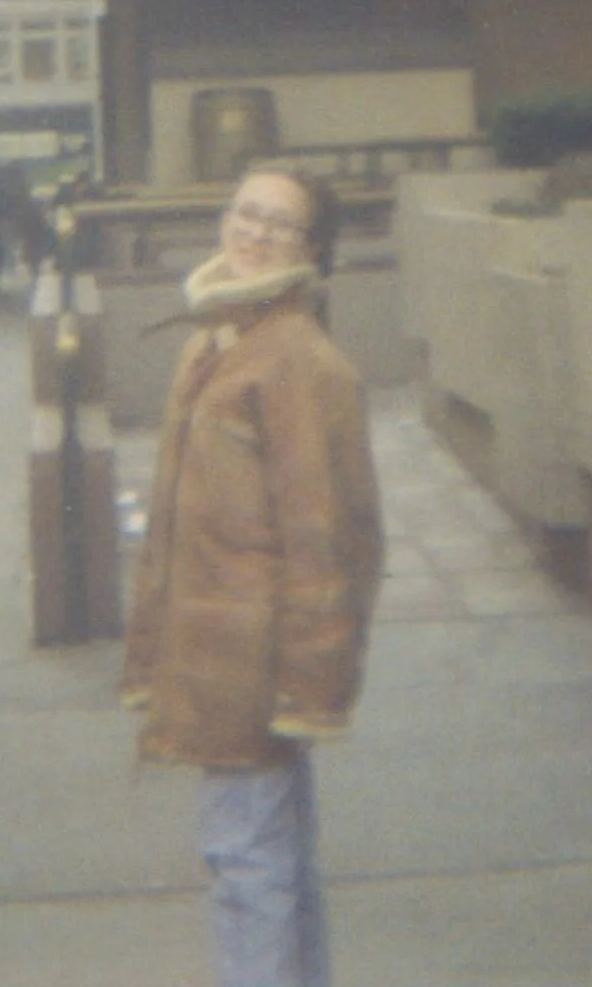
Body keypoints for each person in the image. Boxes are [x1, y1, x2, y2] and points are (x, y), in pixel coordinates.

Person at [119, 168, 383, 987]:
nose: (254, 232)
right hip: (217, 651)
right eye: (245, 212)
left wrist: (310, 686)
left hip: (255, 659)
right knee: (272, 861)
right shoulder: (220, 340)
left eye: (280, 224)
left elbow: (330, 539)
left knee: (245, 864)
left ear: (310, 250)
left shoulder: (296, 361)